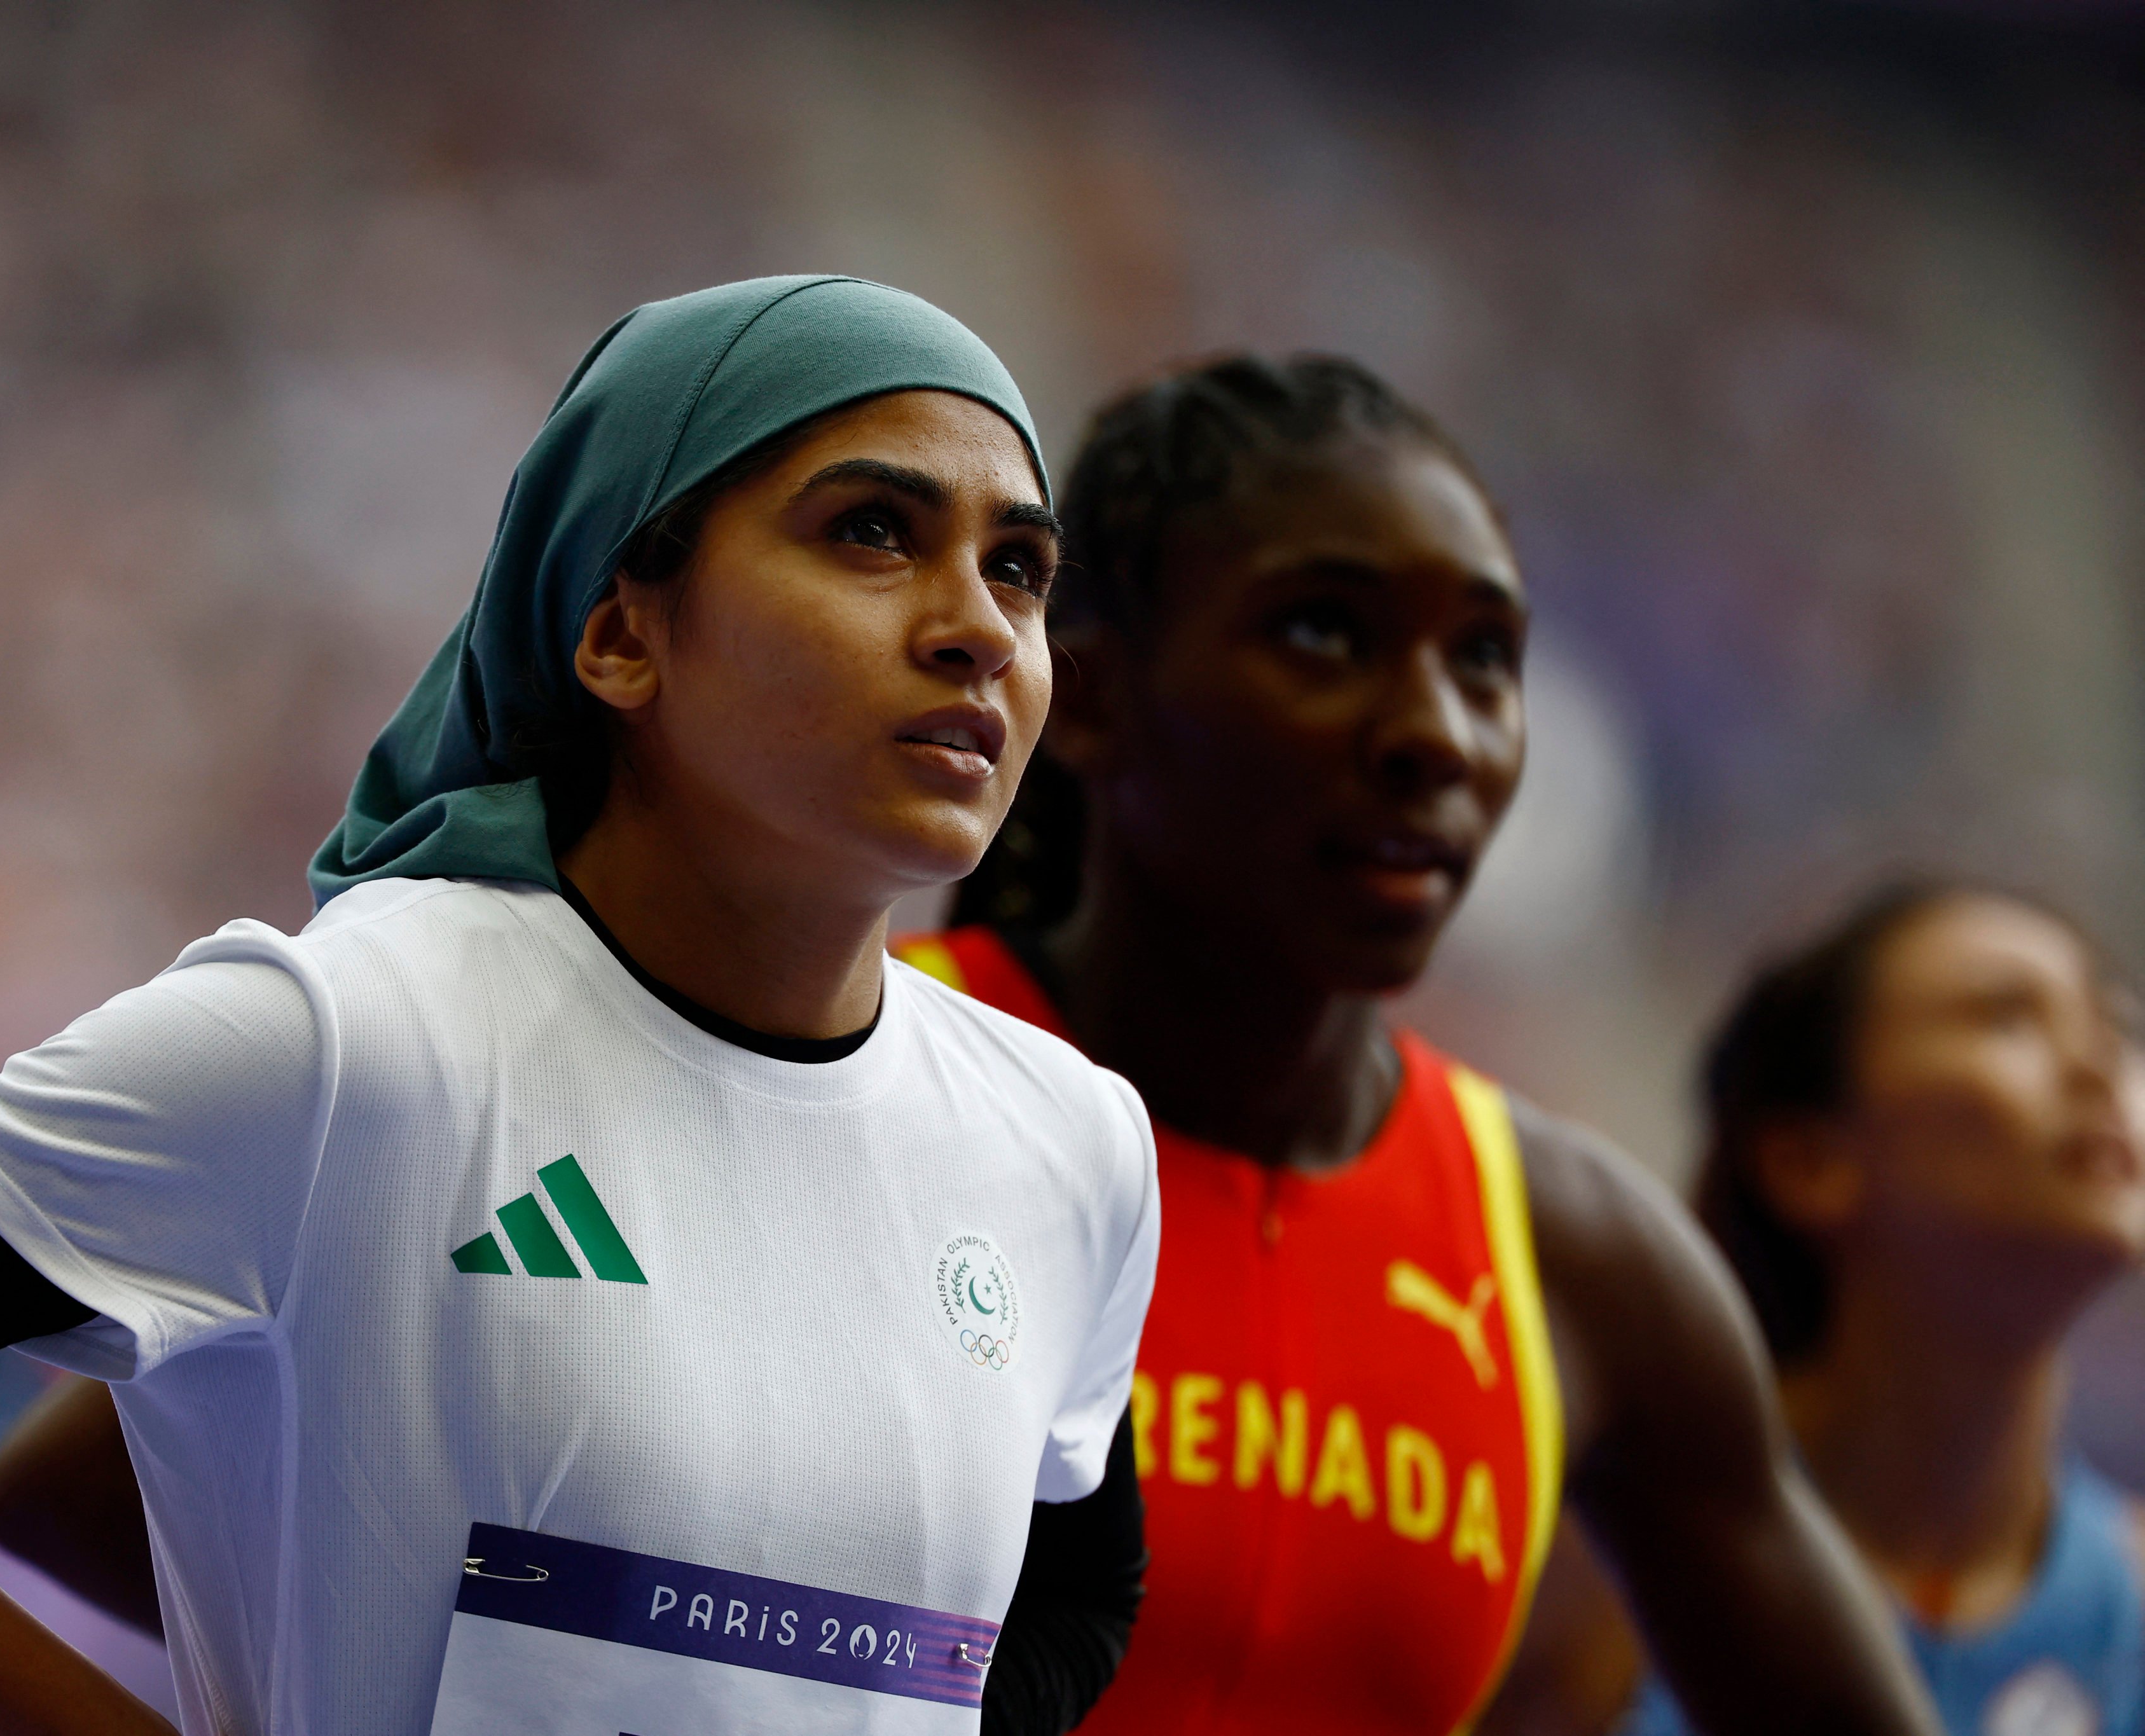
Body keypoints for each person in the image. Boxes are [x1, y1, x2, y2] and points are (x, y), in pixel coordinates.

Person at [0, 276, 1161, 1735]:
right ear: (616, 632)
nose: (975, 628)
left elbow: (1076, 1595)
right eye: (871, 530)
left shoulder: (1067, 1139)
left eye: (1018, 569)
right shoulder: (359, 1043)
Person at [890, 354, 1942, 1733]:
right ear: (1079, 694)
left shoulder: (1577, 1263)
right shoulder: (841, 1074)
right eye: (1324, 634)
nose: (1434, 736)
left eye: (1484, 660)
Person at [1483, 882, 2145, 1736]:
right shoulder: (1589, 1575)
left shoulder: (2129, 1604)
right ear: (1808, 1161)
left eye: (2119, 1023)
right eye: (2006, 1017)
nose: (2099, 1066)